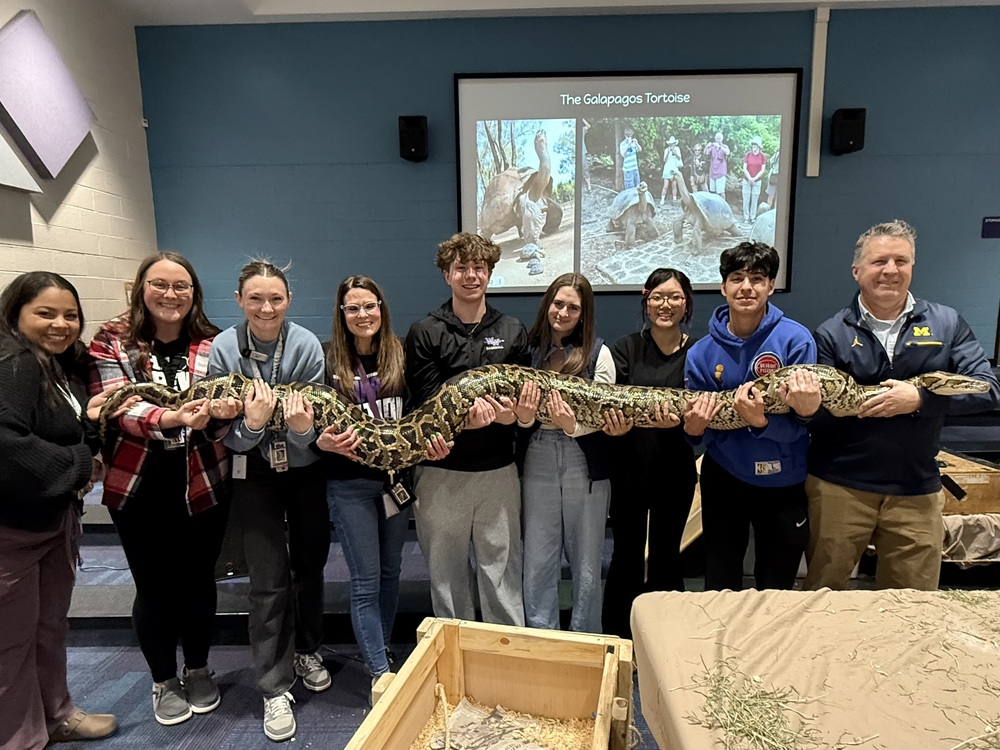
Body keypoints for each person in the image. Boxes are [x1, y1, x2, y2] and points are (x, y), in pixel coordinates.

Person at [805, 220, 1000, 591]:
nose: (891, 270)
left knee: (914, 606)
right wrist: (806, 408)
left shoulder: (946, 323)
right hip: (840, 486)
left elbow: (989, 388)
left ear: (912, 267)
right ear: (857, 271)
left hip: (916, 485)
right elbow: (819, 418)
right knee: (823, 594)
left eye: (901, 261)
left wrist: (920, 400)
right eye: (880, 261)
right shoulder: (831, 333)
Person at [90, 252, 238, 727]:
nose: (171, 294)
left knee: (198, 581)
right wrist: (173, 417)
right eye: (160, 284)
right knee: (153, 586)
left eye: (182, 286)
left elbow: (219, 419)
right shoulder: (112, 340)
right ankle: (162, 679)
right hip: (139, 484)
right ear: (141, 288)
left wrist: (225, 415)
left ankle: (197, 668)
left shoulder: (215, 343)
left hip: (202, 480)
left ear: (194, 292)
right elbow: (117, 406)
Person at [208, 259, 330, 742]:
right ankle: (273, 685)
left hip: (302, 470)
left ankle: (308, 649)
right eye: (255, 298)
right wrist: (254, 424)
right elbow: (227, 434)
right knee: (266, 578)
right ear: (239, 300)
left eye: (275, 298)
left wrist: (301, 430)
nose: (266, 307)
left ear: (288, 301)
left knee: (310, 564)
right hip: (252, 473)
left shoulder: (304, 346)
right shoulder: (223, 347)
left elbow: (313, 429)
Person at [315, 275, 449, 698]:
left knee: (391, 572)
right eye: (353, 308)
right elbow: (312, 426)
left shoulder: (402, 352)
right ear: (342, 313)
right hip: (349, 484)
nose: (362, 315)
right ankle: (377, 670)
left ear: (381, 307)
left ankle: (383, 651)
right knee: (366, 579)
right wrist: (319, 440)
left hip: (396, 483)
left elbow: (421, 410)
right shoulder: (327, 359)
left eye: (369, 306)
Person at [0, 272, 118, 748]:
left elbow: (75, 429)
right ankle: (18, 738)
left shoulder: (60, 367)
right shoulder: (13, 364)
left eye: (70, 315)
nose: (60, 324)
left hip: (53, 523)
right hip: (12, 531)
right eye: (45, 313)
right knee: (10, 641)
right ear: (14, 315)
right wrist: (81, 464)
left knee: (49, 626)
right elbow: (6, 445)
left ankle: (56, 714)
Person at [405, 232, 531, 625]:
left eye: (479, 267)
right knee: (447, 583)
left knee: (502, 579)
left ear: (490, 273)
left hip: (498, 473)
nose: (470, 275)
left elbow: (524, 404)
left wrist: (514, 417)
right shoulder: (425, 331)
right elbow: (428, 402)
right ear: (447, 274)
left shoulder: (512, 329)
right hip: (443, 475)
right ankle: (456, 670)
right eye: (461, 268)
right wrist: (464, 422)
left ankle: (507, 667)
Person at [683, 242, 822, 591]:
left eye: (757, 279)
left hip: (784, 479)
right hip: (725, 477)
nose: (746, 287)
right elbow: (698, 431)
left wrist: (762, 423)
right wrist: (694, 431)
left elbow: (806, 421)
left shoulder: (796, 340)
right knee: (720, 579)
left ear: (771, 286)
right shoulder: (700, 353)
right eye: (737, 278)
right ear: (723, 286)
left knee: (776, 583)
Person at [600, 268, 698, 640]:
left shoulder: (699, 352)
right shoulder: (624, 349)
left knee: (666, 556)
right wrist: (615, 427)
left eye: (674, 297)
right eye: (657, 297)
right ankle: (618, 639)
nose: (665, 305)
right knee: (625, 556)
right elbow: (611, 406)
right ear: (646, 300)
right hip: (629, 471)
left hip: (675, 472)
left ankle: (666, 641)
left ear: (686, 302)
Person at [517, 273, 614, 634]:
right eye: (558, 303)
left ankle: (585, 639)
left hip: (583, 456)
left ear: (584, 313)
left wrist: (572, 425)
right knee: (538, 556)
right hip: (538, 452)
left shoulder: (599, 353)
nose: (563, 312)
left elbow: (606, 414)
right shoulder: (526, 350)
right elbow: (517, 416)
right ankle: (540, 637)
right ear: (547, 304)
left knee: (587, 557)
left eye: (573, 307)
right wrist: (526, 420)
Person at [742, 136, 767, 223]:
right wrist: (749, 178)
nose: (753, 146)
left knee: (754, 199)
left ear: (759, 146)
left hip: (757, 180)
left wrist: (754, 178)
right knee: (746, 198)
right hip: (746, 179)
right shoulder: (748, 155)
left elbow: (762, 169)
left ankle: (752, 217)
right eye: (753, 144)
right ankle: (746, 217)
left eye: (755, 144)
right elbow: (744, 168)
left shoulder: (763, 156)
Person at [704, 131, 730, 200]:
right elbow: (706, 153)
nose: (718, 139)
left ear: (722, 139)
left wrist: (720, 147)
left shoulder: (724, 147)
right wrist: (707, 146)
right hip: (712, 172)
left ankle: (723, 205)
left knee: (721, 192)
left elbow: (727, 152)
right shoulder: (712, 147)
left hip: (721, 173)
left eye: (719, 138)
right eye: (717, 138)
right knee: (713, 191)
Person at [660, 136, 683, 204]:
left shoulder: (677, 149)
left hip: (674, 168)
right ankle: (662, 199)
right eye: (671, 144)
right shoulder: (666, 150)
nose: (672, 145)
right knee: (665, 185)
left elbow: (679, 158)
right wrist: (668, 152)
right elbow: (664, 160)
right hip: (667, 168)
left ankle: (674, 199)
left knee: (674, 185)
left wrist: (675, 152)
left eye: (673, 143)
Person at [581, 119, 592, 193]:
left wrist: (582, 118)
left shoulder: (582, 130)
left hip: (582, 153)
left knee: (585, 169)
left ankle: (589, 187)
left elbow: (588, 126)